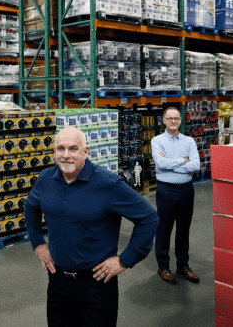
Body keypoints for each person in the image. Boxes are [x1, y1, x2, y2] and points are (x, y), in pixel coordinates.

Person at [24, 126, 159, 327]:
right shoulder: (46, 179)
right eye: (60, 149)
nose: (66, 155)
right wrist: (38, 243)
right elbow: (30, 207)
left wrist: (124, 260)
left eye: (73, 149)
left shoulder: (108, 184)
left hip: (97, 285)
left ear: (85, 152)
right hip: (57, 281)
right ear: (54, 152)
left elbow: (148, 218)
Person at [151, 107, 201, 285]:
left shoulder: (189, 141)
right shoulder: (157, 141)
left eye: (176, 118)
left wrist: (174, 164)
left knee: (183, 229)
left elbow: (196, 165)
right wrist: (183, 160)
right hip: (167, 190)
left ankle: (183, 265)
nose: (173, 121)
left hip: (187, 190)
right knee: (164, 229)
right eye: (169, 118)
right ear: (163, 120)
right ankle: (163, 266)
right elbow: (161, 164)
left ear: (180, 120)